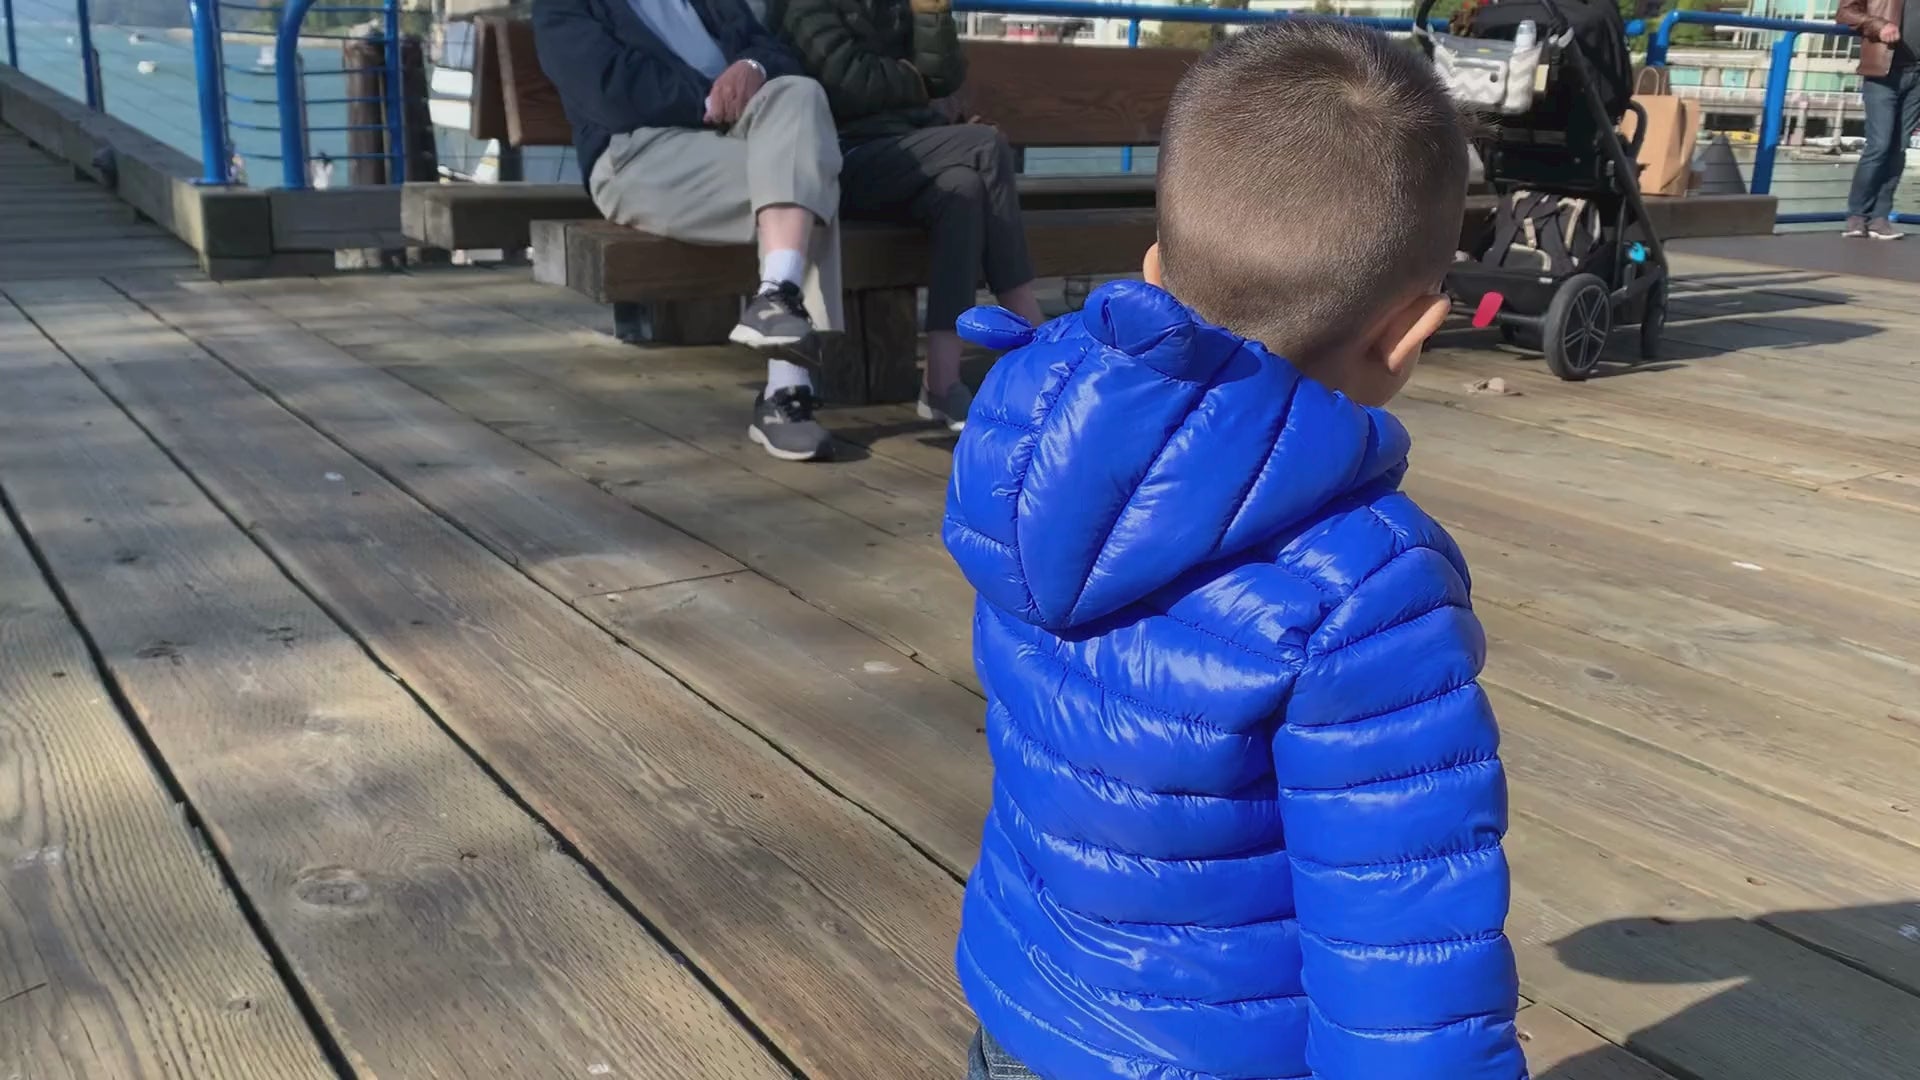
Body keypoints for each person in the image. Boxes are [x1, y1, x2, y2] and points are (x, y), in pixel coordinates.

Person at [943, 22, 1526, 1080]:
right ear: (1410, 334)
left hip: (1025, 1008)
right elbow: (1403, 941)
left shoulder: (1026, 453)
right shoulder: (1365, 588)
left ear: (1154, 270)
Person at [534, 0, 844, 461]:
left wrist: (753, 67)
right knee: (806, 172)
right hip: (637, 153)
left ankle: (778, 301)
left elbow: (771, 50)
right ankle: (786, 391)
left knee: (799, 102)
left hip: (732, 136)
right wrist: (715, 96)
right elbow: (610, 89)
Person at [773, 0, 1044, 431]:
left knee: (963, 189)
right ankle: (1035, 342)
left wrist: (931, 15)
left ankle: (941, 382)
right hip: (838, 160)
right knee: (984, 145)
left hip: (911, 153)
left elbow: (944, 76)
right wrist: (915, 80)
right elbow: (847, 82)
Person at [1839, 0, 1920, 240]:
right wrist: (1879, 24)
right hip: (1883, 71)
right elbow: (1845, 12)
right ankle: (1857, 216)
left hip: (1917, 76)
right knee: (1879, 145)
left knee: (1898, 148)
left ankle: (1880, 218)